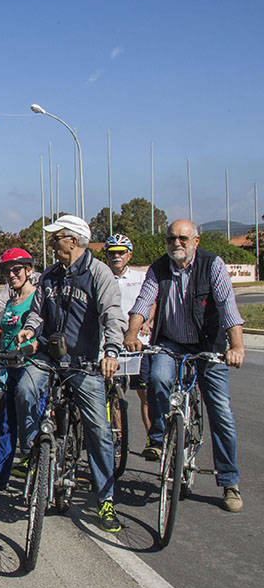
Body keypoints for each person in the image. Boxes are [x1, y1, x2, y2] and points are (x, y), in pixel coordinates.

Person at [14, 215, 126, 532]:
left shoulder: (99, 274)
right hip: (49, 357)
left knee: (99, 431)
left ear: (72, 241)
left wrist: (112, 352)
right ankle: (33, 452)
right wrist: (29, 331)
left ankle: (105, 499)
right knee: (24, 390)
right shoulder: (49, 276)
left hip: (84, 362)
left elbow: (112, 316)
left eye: (56, 238)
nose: (51, 244)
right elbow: (37, 313)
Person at [124, 219, 245, 512]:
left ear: (196, 241)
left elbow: (228, 307)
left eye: (182, 238)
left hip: (208, 344)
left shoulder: (212, 265)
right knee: (157, 378)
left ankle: (229, 481)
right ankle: (158, 438)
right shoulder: (159, 267)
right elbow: (143, 302)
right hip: (171, 341)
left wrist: (237, 346)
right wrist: (131, 332)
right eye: (170, 239)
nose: (176, 243)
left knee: (220, 412)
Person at [0, 248, 37, 494]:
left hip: (29, 368)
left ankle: (36, 473)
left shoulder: (36, 299)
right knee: (5, 425)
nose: (12, 275)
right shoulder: (11, 301)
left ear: (29, 270)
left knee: (29, 422)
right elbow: (7, 328)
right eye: (7, 271)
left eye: (17, 270)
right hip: (8, 367)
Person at [104, 234, 152, 440]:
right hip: (111, 343)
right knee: (113, 395)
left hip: (138, 345)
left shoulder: (140, 278)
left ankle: (153, 438)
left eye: (121, 252)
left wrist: (147, 322)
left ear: (129, 255)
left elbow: (152, 301)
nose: (117, 256)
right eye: (112, 252)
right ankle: (118, 438)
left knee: (146, 395)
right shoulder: (101, 276)